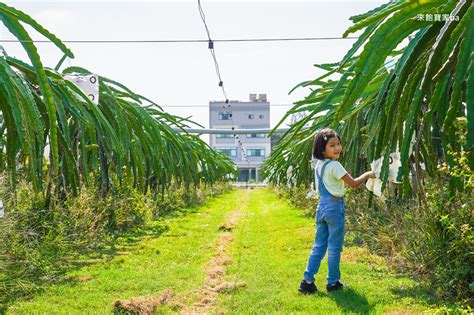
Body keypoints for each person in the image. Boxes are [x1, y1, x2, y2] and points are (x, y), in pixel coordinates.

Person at [298, 128, 375, 294]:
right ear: (322, 149)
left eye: (338, 144)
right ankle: (333, 283)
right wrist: (368, 174)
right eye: (332, 145)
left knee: (318, 246)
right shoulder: (335, 165)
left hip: (322, 207)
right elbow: (353, 183)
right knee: (334, 247)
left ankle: (307, 280)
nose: (337, 148)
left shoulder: (319, 166)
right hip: (334, 208)